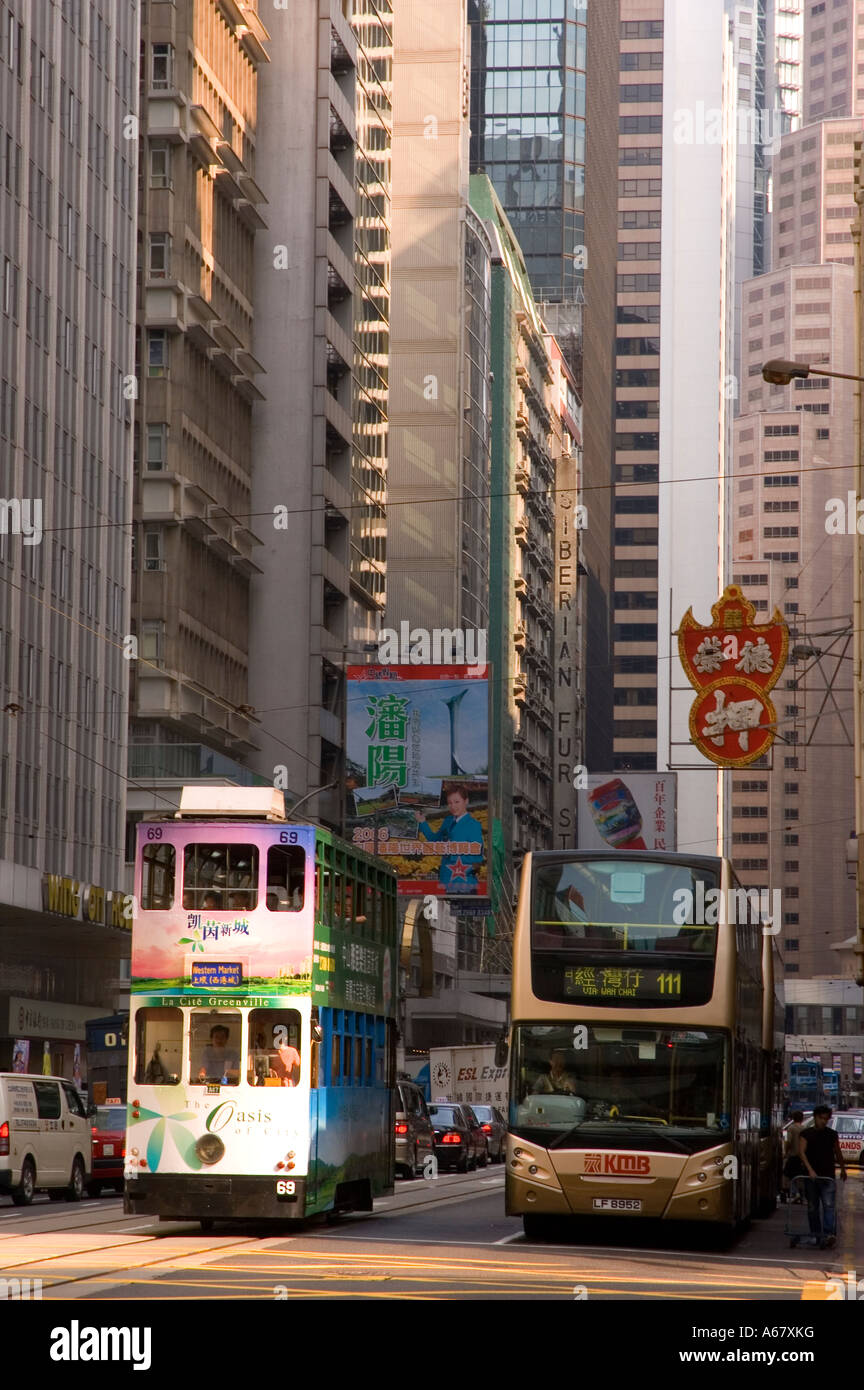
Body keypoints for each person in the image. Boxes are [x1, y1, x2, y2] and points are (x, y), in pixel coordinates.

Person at [415, 786, 485, 893]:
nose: (453, 806)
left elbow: (477, 858)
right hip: (447, 880)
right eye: (450, 803)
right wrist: (422, 822)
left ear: (466, 801)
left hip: (465, 884)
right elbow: (434, 840)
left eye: (457, 802)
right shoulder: (448, 821)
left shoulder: (473, 825)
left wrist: (450, 851)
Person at [799, 1104, 847, 1247]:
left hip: (827, 1177)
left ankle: (827, 1235)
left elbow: (838, 1153)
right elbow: (802, 1153)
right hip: (811, 1178)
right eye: (821, 1118)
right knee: (812, 1207)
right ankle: (816, 1235)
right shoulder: (806, 1134)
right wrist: (810, 1170)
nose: (824, 1121)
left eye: (826, 1119)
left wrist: (843, 1169)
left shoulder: (832, 1134)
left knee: (828, 1206)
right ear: (815, 1117)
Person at [781, 1110, 806, 1202]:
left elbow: (788, 1141)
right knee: (799, 1176)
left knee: (788, 1174)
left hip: (792, 1156)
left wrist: (785, 1152)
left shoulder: (791, 1128)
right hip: (802, 1157)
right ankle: (801, 1195)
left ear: (793, 1118)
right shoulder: (804, 1129)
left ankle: (794, 1193)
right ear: (802, 1119)